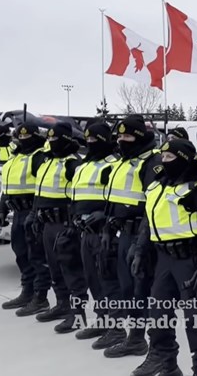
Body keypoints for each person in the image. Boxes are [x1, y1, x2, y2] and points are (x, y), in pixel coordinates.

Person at [130, 139, 197, 376]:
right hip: (164, 262)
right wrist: (139, 251)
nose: (164, 162)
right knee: (158, 316)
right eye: (163, 157)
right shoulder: (158, 186)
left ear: (184, 159)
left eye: (169, 158)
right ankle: (167, 365)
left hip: (190, 260)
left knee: (194, 321)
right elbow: (148, 222)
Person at [101, 115, 163, 359]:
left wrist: (141, 244)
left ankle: (143, 341)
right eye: (119, 136)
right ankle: (133, 336)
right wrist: (107, 227)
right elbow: (113, 199)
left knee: (141, 290)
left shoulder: (151, 162)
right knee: (127, 287)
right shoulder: (124, 161)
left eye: (127, 136)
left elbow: (152, 203)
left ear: (138, 137)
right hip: (121, 231)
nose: (121, 140)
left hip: (141, 234)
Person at [69, 122, 122, 345]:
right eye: (88, 139)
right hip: (85, 232)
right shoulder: (83, 165)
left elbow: (119, 198)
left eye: (96, 139)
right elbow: (75, 194)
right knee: (93, 279)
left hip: (105, 232)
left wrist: (103, 214)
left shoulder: (114, 165)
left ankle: (117, 328)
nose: (91, 143)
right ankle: (102, 321)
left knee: (109, 280)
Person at [29, 122, 85, 333]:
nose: (52, 143)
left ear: (67, 140)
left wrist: (72, 225)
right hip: (47, 223)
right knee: (54, 268)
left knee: (71, 270)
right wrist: (34, 216)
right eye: (49, 140)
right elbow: (38, 192)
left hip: (63, 224)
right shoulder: (47, 162)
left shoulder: (72, 164)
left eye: (56, 140)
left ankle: (77, 315)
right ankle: (62, 305)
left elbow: (78, 197)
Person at [0, 123, 51, 315]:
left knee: (36, 256)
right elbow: (7, 187)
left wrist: (35, 213)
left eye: (26, 137)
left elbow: (42, 187)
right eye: (19, 137)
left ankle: (40, 297)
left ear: (35, 137)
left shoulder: (39, 158)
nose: (22, 140)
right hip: (17, 213)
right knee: (20, 254)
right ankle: (27, 291)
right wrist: (2, 209)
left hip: (32, 212)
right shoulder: (15, 157)